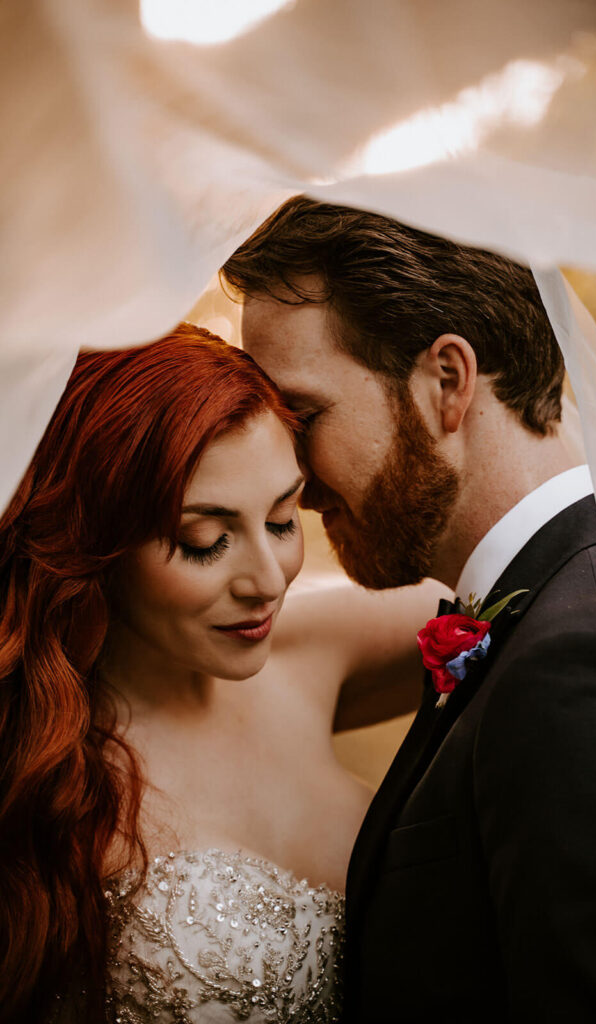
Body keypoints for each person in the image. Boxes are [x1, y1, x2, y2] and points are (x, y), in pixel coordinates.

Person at [221, 196, 596, 1022]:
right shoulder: (554, 605)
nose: (295, 474)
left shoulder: (575, 660)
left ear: (445, 381)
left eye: (306, 416)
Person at [0, 323, 447, 1024]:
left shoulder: (310, 644)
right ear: (96, 543)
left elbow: (554, 574)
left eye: (280, 520)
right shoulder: (39, 764)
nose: (267, 581)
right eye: (205, 542)